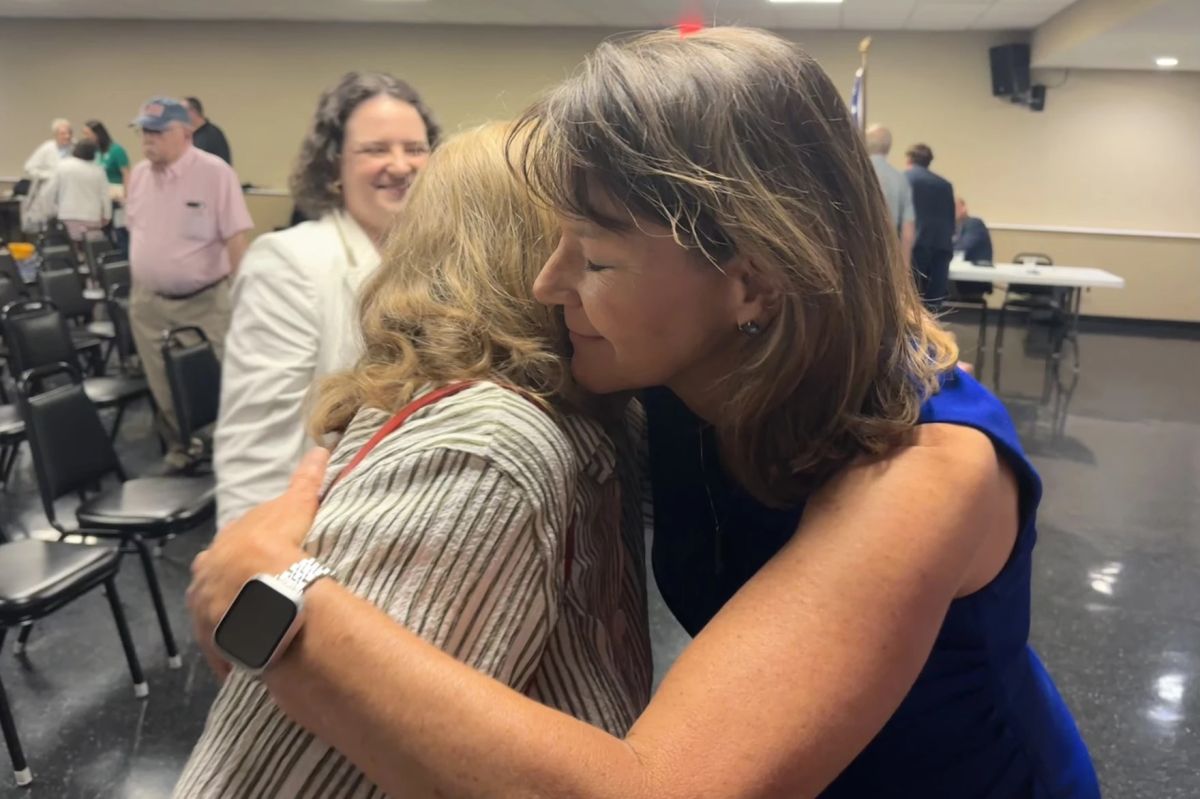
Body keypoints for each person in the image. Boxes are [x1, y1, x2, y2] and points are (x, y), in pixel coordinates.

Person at [187, 27, 1100, 799]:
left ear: (752, 278)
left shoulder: (924, 474)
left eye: (594, 258)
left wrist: (272, 602)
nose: (549, 285)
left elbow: (659, 787)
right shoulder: (701, 360)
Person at [175, 122, 651, 798]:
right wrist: (257, 592)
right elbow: (274, 779)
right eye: (600, 245)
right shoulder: (485, 447)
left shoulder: (556, 412)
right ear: (537, 259)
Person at [213, 72, 439, 528]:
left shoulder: (438, 261)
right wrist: (252, 579)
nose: (400, 165)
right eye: (375, 149)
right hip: (323, 530)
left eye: (415, 148)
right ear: (334, 168)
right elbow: (257, 446)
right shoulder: (288, 262)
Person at [125, 97, 252, 472]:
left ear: (185, 133)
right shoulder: (141, 176)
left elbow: (235, 241)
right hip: (147, 304)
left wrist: (242, 300)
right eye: (144, 131)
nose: (148, 139)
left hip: (203, 303)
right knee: (162, 385)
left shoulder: (215, 174)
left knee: (218, 382)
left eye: (157, 132)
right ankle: (181, 449)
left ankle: (226, 457)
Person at [905, 142, 956, 309]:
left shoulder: (904, 179)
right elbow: (951, 222)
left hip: (914, 248)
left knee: (910, 304)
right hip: (941, 249)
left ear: (909, 159)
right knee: (933, 307)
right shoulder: (945, 185)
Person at [865, 124, 915, 264]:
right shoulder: (900, 179)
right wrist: (904, 269)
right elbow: (908, 231)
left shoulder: (852, 174)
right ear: (888, 147)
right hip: (886, 256)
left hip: (854, 254)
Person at [44, 140, 111, 242]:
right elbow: (105, 196)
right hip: (92, 217)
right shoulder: (99, 170)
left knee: (70, 250)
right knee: (90, 252)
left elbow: (48, 192)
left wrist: (51, 211)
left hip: (67, 215)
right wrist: (107, 215)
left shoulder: (62, 166)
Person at [80, 120, 131, 249]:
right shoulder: (94, 152)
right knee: (104, 232)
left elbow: (126, 174)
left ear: (97, 134)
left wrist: (126, 196)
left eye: (87, 134)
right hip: (101, 199)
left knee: (121, 232)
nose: (85, 138)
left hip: (116, 197)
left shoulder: (116, 150)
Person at [19, 118, 72, 232]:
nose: (67, 136)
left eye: (69, 133)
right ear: (56, 135)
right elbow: (29, 167)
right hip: (47, 192)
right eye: (63, 133)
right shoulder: (47, 148)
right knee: (47, 224)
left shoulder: (74, 148)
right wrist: (47, 175)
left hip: (68, 193)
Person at [185, 97, 232, 165]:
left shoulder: (214, 134)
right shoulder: (186, 135)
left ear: (193, 112)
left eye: (182, 112)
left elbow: (224, 164)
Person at [954, 195, 994, 265]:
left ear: (964, 208)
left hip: (977, 271)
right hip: (960, 268)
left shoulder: (974, 223)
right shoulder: (952, 227)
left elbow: (963, 246)